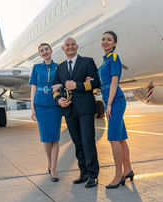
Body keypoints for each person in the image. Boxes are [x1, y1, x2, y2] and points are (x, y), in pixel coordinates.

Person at [53, 37, 100, 188]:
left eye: (73, 45)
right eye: (67, 45)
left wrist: (77, 85)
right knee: (77, 142)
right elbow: (55, 88)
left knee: (88, 141)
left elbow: (95, 82)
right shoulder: (60, 67)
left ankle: (93, 174)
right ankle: (83, 172)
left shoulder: (87, 62)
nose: (70, 47)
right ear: (63, 48)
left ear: (77, 46)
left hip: (85, 109)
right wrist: (59, 100)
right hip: (69, 109)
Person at [96, 31, 133, 189]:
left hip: (115, 101)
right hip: (110, 101)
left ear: (114, 44)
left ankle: (119, 176)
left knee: (112, 138)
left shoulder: (114, 58)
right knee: (120, 138)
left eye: (109, 40)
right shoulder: (104, 62)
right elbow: (103, 83)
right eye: (103, 39)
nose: (105, 42)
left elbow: (114, 82)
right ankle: (128, 170)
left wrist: (109, 104)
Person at [29, 43, 62, 182]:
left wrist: (60, 85)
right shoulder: (36, 68)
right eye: (42, 51)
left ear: (51, 50)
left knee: (55, 137)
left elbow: (63, 82)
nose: (44, 52)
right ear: (40, 54)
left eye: (46, 49)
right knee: (46, 138)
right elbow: (33, 88)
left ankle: (53, 168)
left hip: (55, 105)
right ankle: (50, 163)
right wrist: (32, 108)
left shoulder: (58, 67)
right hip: (41, 105)